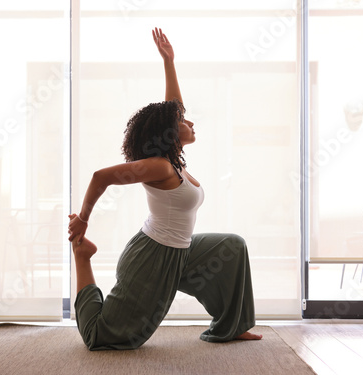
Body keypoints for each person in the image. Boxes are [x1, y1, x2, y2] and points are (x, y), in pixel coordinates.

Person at [68, 27, 262, 351]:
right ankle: (81, 256)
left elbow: (174, 105)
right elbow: (100, 176)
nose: (190, 122)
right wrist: (83, 221)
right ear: (169, 132)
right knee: (105, 337)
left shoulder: (174, 160)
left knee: (233, 248)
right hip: (153, 258)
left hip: (180, 252)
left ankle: (233, 326)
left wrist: (169, 62)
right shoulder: (158, 165)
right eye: (183, 122)